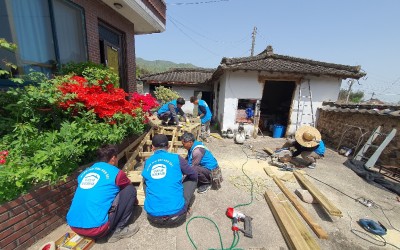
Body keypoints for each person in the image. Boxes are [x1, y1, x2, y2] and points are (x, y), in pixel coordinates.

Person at [66, 145, 139, 243]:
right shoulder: (116, 173)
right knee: (130, 190)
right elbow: (128, 189)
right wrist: (133, 202)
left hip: (73, 225)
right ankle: (118, 230)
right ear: (113, 158)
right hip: (97, 229)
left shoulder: (84, 173)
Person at [142, 134, 197, 227]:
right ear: (168, 147)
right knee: (193, 178)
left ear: (152, 148)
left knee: (145, 180)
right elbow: (193, 174)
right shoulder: (177, 158)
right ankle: (185, 207)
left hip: (153, 217)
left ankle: (155, 203)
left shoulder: (147, 162)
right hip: (177, 217)